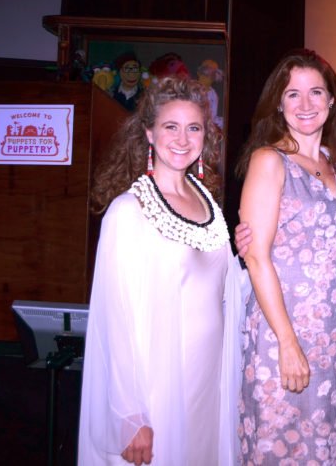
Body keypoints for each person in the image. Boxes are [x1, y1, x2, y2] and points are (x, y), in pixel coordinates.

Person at [78, 75, 246, 466]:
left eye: (194, 128)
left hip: (208, 382)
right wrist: (129, 415)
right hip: (156, 386)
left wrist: (249, 261)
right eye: (171, 126)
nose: (183, 139)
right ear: (149, 134)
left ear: (207, 136)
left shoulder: (209, 204)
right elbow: (113, 319)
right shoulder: (128, 211)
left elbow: (220, 291)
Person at [236, 49, 336, 465]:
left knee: (324, 449)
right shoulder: (270, 160)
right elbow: (256, 257)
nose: (305, 104)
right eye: (292, 94)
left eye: (316, 92)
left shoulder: (332, 163)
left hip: (331, 337)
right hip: (280, 331)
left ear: (332, 101)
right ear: (278, 103)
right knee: (282, 446)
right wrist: (288, 343)